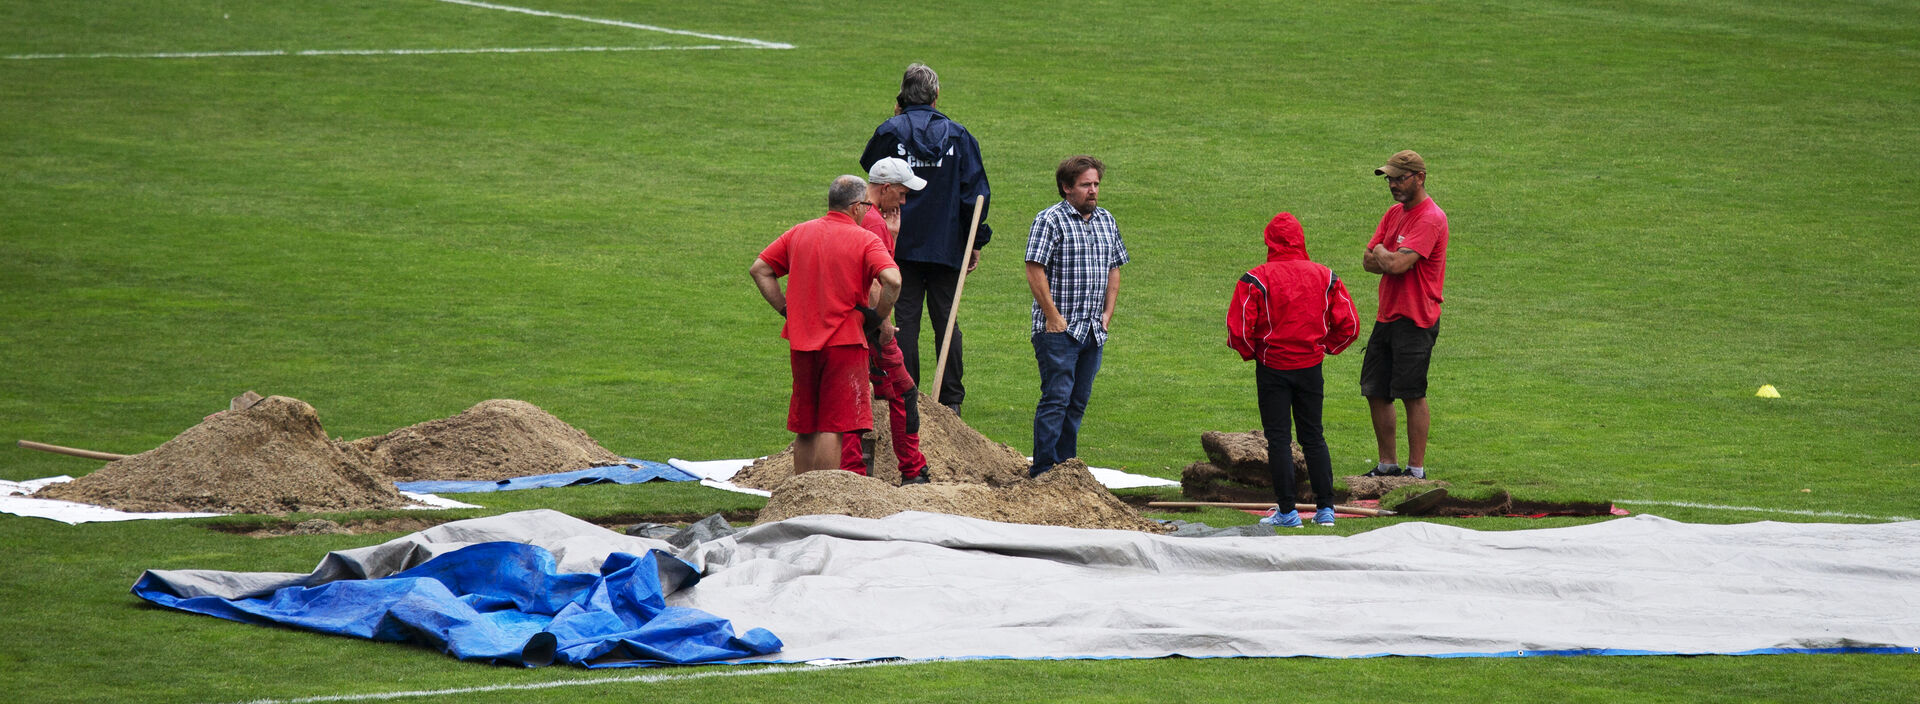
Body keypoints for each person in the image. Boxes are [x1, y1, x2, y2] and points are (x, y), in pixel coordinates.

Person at [858, 62, 992, 416]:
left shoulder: (891, 130)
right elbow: (974, 195)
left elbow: (873, 175)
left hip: (899, 244)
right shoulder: (959, 136)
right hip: (948, 245)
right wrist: (975, 240)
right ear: (936, 96)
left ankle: (907, 395)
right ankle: (952, 401)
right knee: (947, 322)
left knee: (904, 321)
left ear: (902, 95)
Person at [749, 175, 902, 474]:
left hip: (802, 342)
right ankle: (822, 501)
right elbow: (893, 281)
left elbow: (760, 269)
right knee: (834, 426)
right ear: (857, 207)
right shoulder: (864, 239)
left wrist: (785, 309)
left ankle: (798, 497)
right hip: (844, 344)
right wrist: (879, 315)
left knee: (805, 427)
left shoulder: (799, 233)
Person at [1228, 213, 1360, 528]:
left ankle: (1287, 512)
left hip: (1272, 366)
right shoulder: (1325, 275)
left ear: (1269, 241)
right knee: (1314, 436)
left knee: (1278, 439)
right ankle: (1325, 509)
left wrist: (1256, 353)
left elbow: (1239, 331)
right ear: (1301, 238)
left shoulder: (1256, 278)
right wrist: (1325, 347)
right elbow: (1350, 325)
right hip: (1311, 366)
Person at [1024, 155, 1126, 477]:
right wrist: (1052, 316)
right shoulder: (1050, 221)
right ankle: (1043, 470)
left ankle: (1066, 469)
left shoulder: (1106, 220)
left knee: (1077, 402)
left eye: (1096, 184)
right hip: (1058, 332)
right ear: (1067, 188)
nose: (1093, 191)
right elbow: (1034, 269)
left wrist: (1107, 315)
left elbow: (1114, 268)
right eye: (1085, 185)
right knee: (1056, 400)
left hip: (1093, 331)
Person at [838, 158, 931, 484]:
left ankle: (852, 471)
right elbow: (878, 280)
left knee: (852, 395)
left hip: (850, 319)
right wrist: (885, 325)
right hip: (872, 323)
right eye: (902, 194)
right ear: (886, 187)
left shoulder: (864, 218)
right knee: (902, 393)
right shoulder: (874, 222)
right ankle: (912, 469)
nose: (903, 202)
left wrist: (891, 236)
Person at [1359, 150, 1449, 479]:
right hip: (1387, 315)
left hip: (1416, 318)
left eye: (1399, 178)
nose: (1392, 184)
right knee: (1375, 389)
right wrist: (1385, 255)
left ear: (1420, 178)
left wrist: (1383, 252)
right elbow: (1367, 262)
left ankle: (1416, 470)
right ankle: (1387, 465)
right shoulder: (1393, 213)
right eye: (1390, 179)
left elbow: (1395, 264)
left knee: (1411, 393)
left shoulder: (1430, 218)